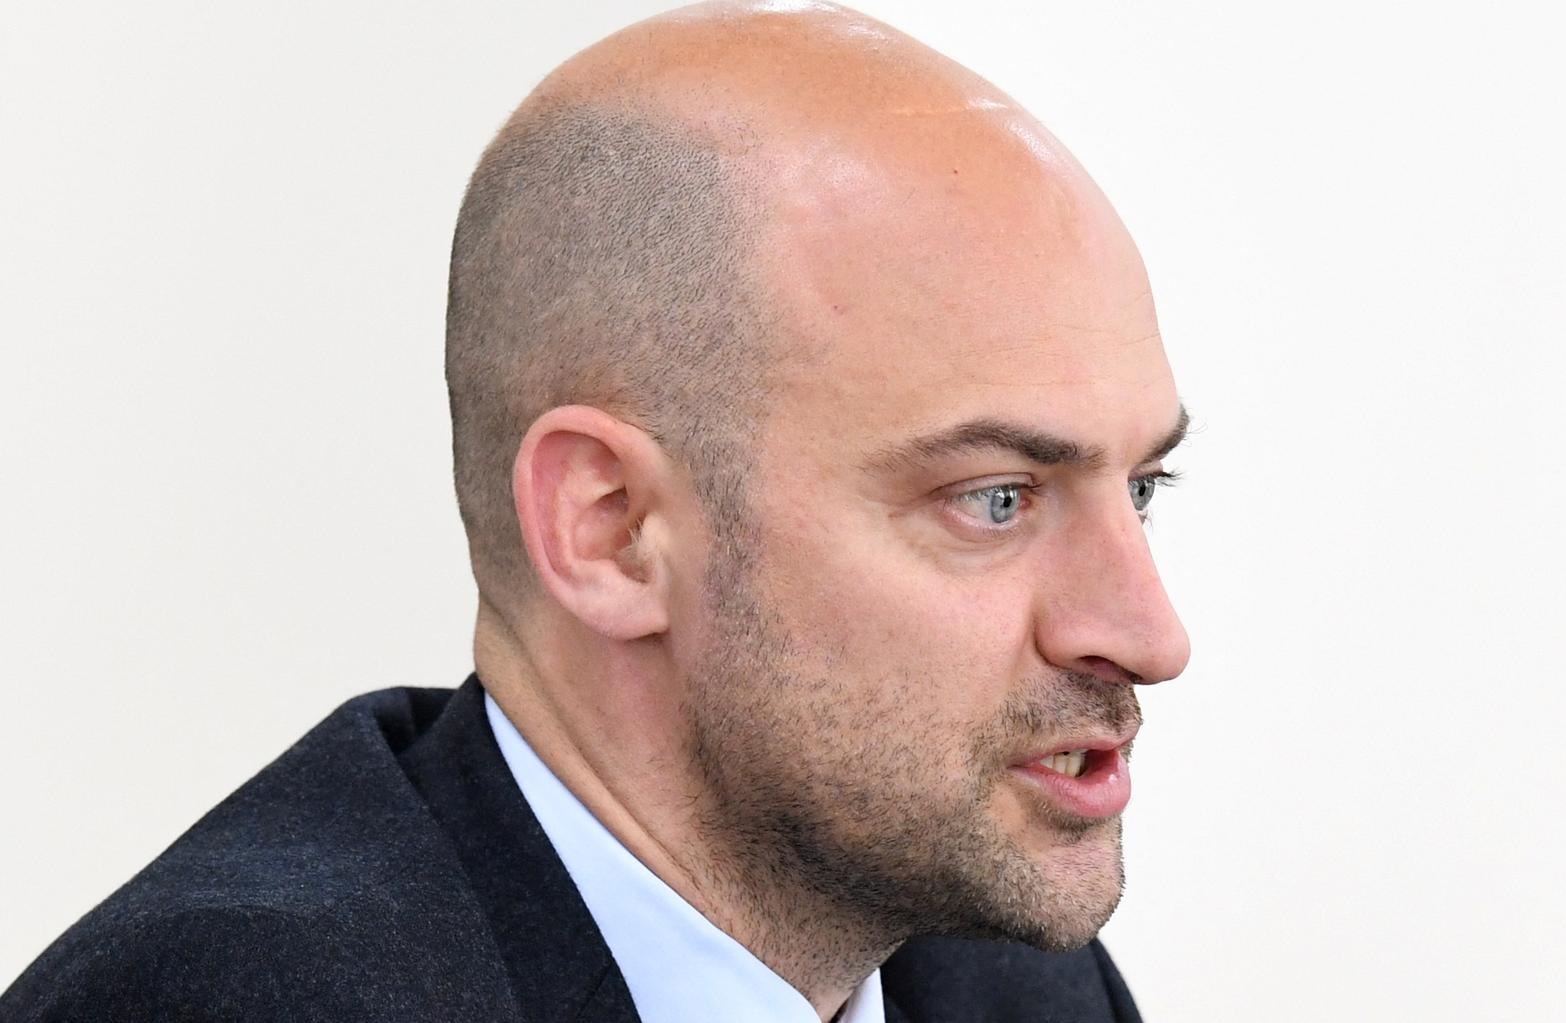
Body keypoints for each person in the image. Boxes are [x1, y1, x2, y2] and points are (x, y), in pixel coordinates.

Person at [0, 1, 1192, 1019]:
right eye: (994, 499)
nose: (1149, 635)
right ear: (611, 530)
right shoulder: (246, 1001)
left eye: (1139, 488)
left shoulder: (1000, 981)